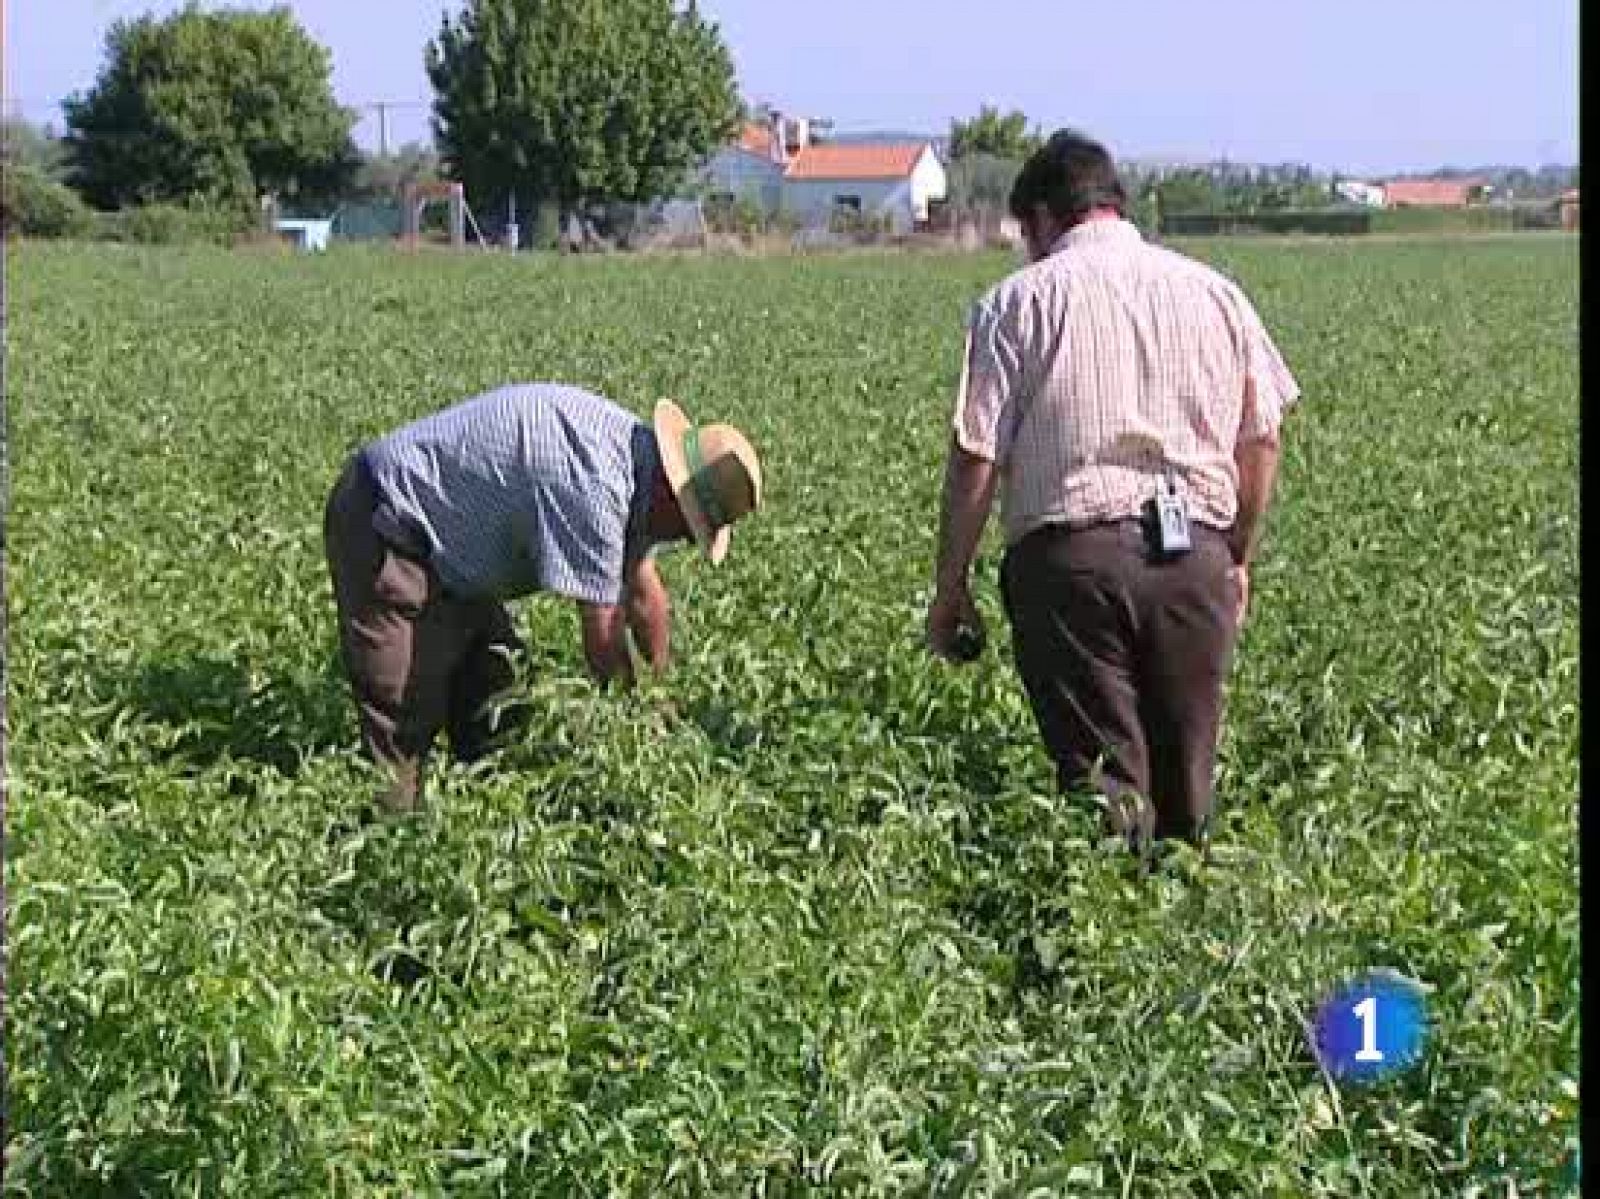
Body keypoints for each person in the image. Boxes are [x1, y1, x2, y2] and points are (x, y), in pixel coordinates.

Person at [925, 129, 1300, 850]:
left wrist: (951, 587)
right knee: (1188, 786)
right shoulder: (1216, 293)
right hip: (1195, 560)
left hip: (1072, 568)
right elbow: (1263, 438)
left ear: (1040, 218)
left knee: (1105, 789)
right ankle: (1187, 927)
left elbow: (977, 454)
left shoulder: (1015, 303)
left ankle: (1115, 938)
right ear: (1113, 205)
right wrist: (1237, 555)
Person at [323, 382, 762, 812]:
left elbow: (646, 594)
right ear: (672, 492)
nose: (683, 539)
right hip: (390, 524)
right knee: (401, 723)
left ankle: (482, 840)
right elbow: (603, 637)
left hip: (456, 550)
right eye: (688, 529)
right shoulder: (597, 484)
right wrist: (635, 720)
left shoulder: (638, 467)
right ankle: (392, 859)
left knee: (499, 711)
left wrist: (663, 687)